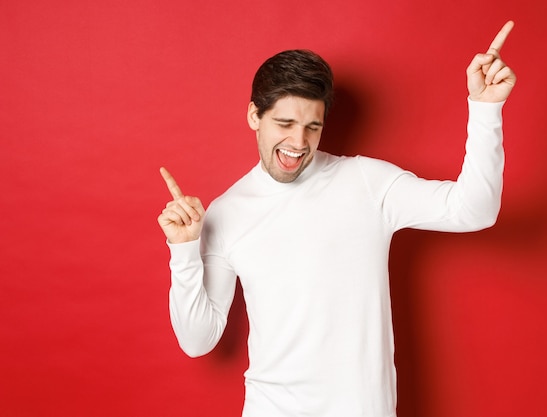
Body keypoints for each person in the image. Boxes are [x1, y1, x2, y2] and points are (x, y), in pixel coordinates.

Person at [158, 21, 516, 417]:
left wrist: (486, 109)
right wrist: (185, 250)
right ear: (253, 116)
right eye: (285, 124)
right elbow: (198, 340)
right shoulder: (227, 212)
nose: (297, 143)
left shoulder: (367, 181)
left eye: (312, 127)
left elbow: (474, 210)